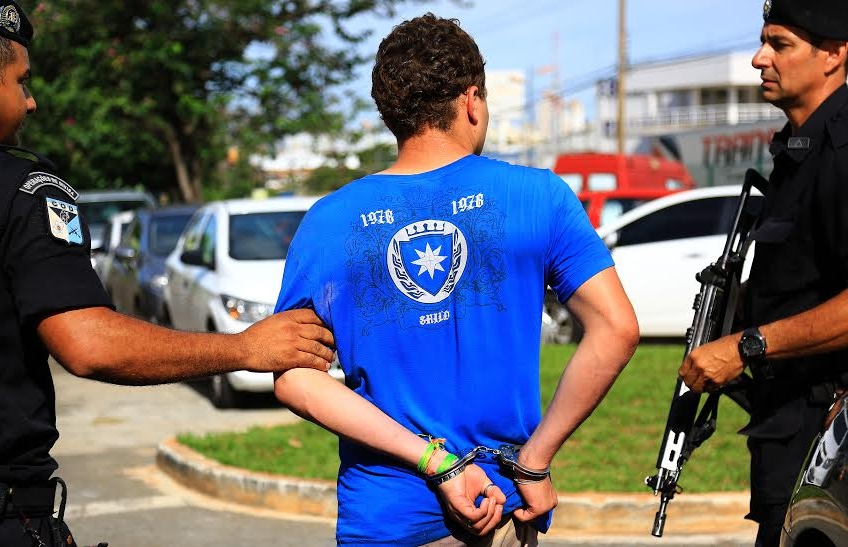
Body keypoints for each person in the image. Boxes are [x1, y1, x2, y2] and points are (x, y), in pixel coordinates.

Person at [271, 13, 639, 546]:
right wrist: (534, 461)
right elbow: (616, 328)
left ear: (391, 113)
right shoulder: (539, 197)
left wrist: (433, 460)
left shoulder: (328, 221)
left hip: (386, 518)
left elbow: (294, 377)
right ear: (472, 101)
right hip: (503, 506)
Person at [0, 2, 336, 546]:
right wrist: (244, 349)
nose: (30, 101)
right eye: (21, 81)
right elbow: (89, 345)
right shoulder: (23, 189)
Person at [678, 1, 848, 545]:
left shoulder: (843, 150)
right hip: (792, 434)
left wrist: (746, 347)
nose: (759, 59)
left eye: (780, 44)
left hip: (831, 444)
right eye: (762, 41)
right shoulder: (799, 148)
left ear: (834, 54)